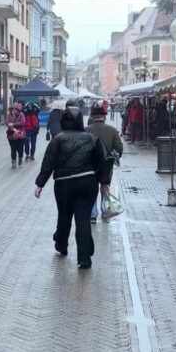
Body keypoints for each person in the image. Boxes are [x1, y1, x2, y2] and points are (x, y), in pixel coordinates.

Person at [34, 107, 110, 269]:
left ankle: (61, 244)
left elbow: (48, 163)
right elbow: (103, 160)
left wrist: (40, 184)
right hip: (87, 182)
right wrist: (103, 181)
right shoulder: (91, 138)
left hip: (64, 184)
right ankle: (84, 257)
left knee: (64, 215)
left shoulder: (58, 139)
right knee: (83, 219)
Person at [86, 102, 123, 223]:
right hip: (106, 165)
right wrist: (114, 158)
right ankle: (106, 212)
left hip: (90, 165)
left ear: (92, 117)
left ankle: (92, 214)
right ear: (105, 117)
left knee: (91, 189)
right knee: (105, 188)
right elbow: (119, 148)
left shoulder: (85, 130)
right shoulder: (112, 130)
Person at [6, 103, 26, 168]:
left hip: (20, 135)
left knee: (20, 149)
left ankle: (20, 158)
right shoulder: (9, 115)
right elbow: (8, 123)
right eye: (13, 109)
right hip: (11, 135)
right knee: (13, 149)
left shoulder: (21, 114)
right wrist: (14, 129)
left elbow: (23, 123)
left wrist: (13, 124)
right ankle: (13, 162)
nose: (14, 111)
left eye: (16, 109)